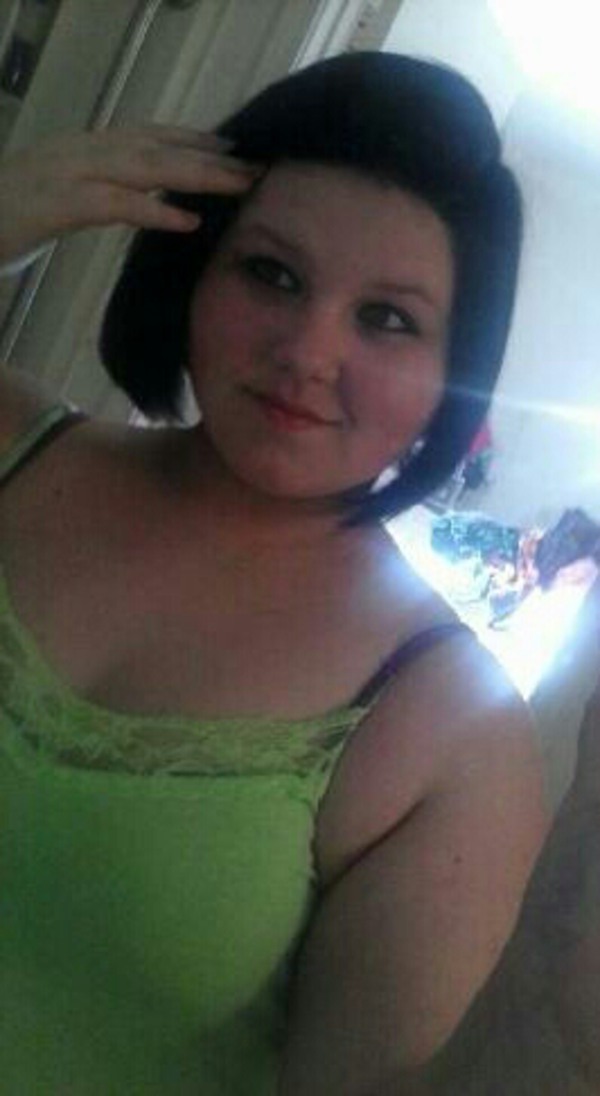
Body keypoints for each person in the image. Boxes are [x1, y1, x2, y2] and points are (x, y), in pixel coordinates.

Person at [0, 53, 546, 1094]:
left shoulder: (451, 730)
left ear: (454, 377)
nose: (307, 350)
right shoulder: (13, 449)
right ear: (194, 268)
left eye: (388, 318)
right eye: (272, 274)